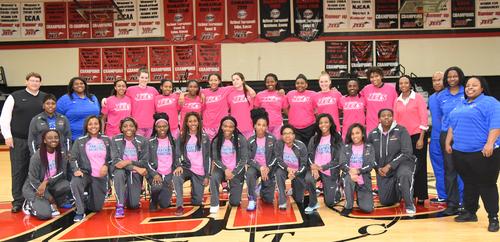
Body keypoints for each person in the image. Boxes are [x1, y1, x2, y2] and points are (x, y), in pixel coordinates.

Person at [446, 76, 500, 232]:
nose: (470, 87)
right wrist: (448, 141)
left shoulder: (490, 103)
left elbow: (496, 124)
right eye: (468, 85)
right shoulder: (460, 104)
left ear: (482, 88)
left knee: (487, 185)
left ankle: (493, 217)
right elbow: (452, 124)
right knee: (469, 183)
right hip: (460, 152)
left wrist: (490, 143)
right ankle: (470, 212)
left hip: (482, 152)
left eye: (474, 85)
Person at [0, 72, 46, 213]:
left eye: (37, 81)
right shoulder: (15, 96)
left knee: (38, 172)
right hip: (19, 140)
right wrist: (7, 136)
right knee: (18, 171)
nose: (34, 83)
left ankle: (34, 198)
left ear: (40, 83)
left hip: (39, 141)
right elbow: (4, 117)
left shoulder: (45, 97)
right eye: (32, 80)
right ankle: (18, 201)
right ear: (26, 82)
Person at [368, 109, 417, 214]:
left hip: (402, 164)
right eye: (383, 116)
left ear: (393, 117)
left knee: (404, 175)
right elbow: (369, 154)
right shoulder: (373, 134)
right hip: (384, 170)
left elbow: (407, 152)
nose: (386, 118)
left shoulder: (401, 130)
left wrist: (390, 165)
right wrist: (377, 168)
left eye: (389, 115)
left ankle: (409, 204)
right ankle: (399, 190)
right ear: (379, 119)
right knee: (386, 201)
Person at [394, 75, 429, 204]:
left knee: (419, 166)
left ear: (410, 84)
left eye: (406, 83)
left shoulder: (418, 98)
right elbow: (395, 122)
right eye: (401, 83)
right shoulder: (397, 100)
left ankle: (421, 195)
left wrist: (421, 138)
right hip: (403, 138)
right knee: (405, 167)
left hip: (417, 137)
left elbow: (424, 118)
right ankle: (409, 193)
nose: (403, 85)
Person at [69, 116, 112, 222]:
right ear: (86, 126)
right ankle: (79, 210)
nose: (93, 126)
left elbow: (113, 157)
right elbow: (72, 158)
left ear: (100, 125)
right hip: (85, 174)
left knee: (96, 208)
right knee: (76, 181)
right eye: (90, 124)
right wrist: (76, 169)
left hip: (100, 177)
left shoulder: (107, 140)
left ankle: (86, 197)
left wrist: (106, 165)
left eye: (96, 123)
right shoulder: (80, 141)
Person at [21, 130, 70, 220]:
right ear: (44, 140)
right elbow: (33, 180)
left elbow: (62, 173)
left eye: (56, 137)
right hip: (35, 188)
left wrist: (46, 182)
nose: (53, 140)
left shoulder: (61, 154)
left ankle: (49, 202)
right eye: (50, 138)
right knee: (45, 215)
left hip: (48, 185)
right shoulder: (37, 157)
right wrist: (50, 199)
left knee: (66, 185)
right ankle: (29, 203)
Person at [438, 66, 466, 215]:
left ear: (460, 77)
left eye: (455, 76)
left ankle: (468, 202)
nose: (452, 79)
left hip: (465, 135)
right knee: (450, 170)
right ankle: (452, 203)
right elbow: (438, 117)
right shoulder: (441, 95)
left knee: (467, 169)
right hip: (446, 135)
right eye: (449, 77)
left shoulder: (467, 92)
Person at [110, 117, 149, 218]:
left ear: (135, 128)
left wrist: (128, 161)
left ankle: (127, 194)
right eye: (125, 126)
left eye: (131, 126)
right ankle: (120, 205)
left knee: (133, 205)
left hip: (135, 173)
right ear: (121, 128)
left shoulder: (143, 140)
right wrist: (135, 168)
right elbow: (116, 162)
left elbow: (144, 162)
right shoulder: (115, 139)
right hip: (123, 171)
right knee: (119, 173)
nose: (128, 128)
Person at [173, 112, 210, 215]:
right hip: (186, 168)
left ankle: (195, 190)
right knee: (177, 175)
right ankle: (179, 205)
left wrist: (207, 175)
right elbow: (177, 153)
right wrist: (179, 165)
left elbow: (208, 158)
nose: (192, 123)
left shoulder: (205, 137)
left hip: (200, 171)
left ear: (198, 122)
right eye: (190, 121)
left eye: (195, 121)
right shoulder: (181, 136)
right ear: (186, 123)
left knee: (197, 202)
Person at [210, 116, 248, 213]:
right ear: (221, 127)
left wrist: (233, 172)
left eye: (231, 127)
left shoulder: (241, 139)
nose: (228, 129)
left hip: (236, 171)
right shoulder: (216, 140)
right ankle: (214, 203)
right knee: (214, 177)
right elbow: (216, 159)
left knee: (235, 202)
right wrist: (225, 170)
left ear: (234, 128)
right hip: (222, 169)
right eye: (225, 126)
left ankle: (233, 190)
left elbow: (244, 159)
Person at [306, 114, 343, 210]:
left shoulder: (337, 138)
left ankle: (338, 186)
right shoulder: (314, 139)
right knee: (308, 179)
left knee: (330, 203)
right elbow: (309, 156)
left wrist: (322, 167)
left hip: (329, 170)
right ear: (318, 125)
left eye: (326, 122)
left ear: (330, 123)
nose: (323, 125)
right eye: (321, 123)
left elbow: (339, 159)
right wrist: (314, 166)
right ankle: (313, 203)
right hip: (316, 170)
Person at [274, 125, 315, 211]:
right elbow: (278, 160)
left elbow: (304, 164)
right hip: (286, 169)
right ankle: (282, 200)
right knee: (278, 172)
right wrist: (288, 169)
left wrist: (295, 173)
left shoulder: (301, 146)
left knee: (298, 200)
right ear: (281, 136)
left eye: (290, 133)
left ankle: (297, 188)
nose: (287, 136)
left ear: (294, 135)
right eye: (284, 133)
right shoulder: (279, 144)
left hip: (298, 171)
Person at [339, 123, 375, 216]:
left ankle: (360, 196)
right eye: (352, 134)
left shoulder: (369, 147)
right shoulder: (345, 147)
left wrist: (358, 171)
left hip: (363, 178)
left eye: (357, 133)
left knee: (368, 209)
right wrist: (351, 172)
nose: (355, 136)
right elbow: (342, 164)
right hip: (349, 176)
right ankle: (348, 206)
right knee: (348, 179)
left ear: (362, 134)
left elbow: (370, 165)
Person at [246, 108, 277, 211]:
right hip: (256, 167)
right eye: (259, 124)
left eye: (264, 125)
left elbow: (276, 156)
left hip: (268, 168)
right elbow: (248, 159)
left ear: (267, 127)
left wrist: (268, 167)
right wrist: (260, 167)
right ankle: (251, 199)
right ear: (254, 126)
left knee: (268, 200)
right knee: (250, 173)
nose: (261, 127)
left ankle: (262, 188)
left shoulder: (272, 139)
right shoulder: (250, 140)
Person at [147, 113, 177, 212]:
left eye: (164, 126)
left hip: (169, 174)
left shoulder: (173, 141)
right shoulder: (150, 142)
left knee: (164, 205)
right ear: (155, 128)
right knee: (156, 187)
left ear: (168, 126)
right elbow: (146, 161)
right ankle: (154, 200)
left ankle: (162, 196)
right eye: (159, 127)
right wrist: (154, 174)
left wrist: (173, 176)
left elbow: (177, 159)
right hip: (156, 173)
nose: (162, 129)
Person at [56, 77, 100, 141]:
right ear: (72, 87)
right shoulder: (64, 99)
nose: (79, 85)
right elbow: (58, 118)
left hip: (92, 137)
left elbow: (98, 116)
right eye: (76, 84)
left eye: (81, 83)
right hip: (73, 138)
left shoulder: (93, 98)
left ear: (85, 85)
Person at [428, 71, 447, 203]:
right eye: (434, 80)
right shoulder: (431, 98)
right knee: (438, 168)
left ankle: (461, 198)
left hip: (450, 137)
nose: (436, 82)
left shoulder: (452, 95)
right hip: (435, 137)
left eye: (439, 80)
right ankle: (442, 195)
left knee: (453, 169)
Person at [360, 67, 398, 132]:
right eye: (371, 77)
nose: (374, 79)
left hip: (387, 124)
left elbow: (396, 106)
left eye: (376, 76)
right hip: (371, 125)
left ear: (381, 76)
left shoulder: (391, 88)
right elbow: (357, 99)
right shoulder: (366, 89)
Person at [126, 68, 159, 137]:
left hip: (151, 125)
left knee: (149, 146)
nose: (144, 80)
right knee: (138, 147)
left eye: (146, 78)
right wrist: (105, 99)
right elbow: (120, 98)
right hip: (136, 125)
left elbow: (162, 99)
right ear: (138, 77)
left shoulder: (153, 90)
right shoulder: (130, 90)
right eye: (142, 77)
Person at [284, 74, 317, 144]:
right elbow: (285, 108)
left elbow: (317, 108)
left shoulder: (313, 94)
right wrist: (291, 116)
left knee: (309, 148)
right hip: (294, 128)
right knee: (297, 149)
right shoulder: (290, 94)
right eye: (297, 83)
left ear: (306, 85)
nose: (300, 85)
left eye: (302, 83)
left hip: (310, 127)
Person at [254, 73, 286, 138]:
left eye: (272, 82)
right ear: (265, 83)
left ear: (276, 82)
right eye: (267, 82)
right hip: (263, 125)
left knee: (276, 144)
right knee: (265, 144)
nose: (270, 84)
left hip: (277, 124)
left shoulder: (281, 94)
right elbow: (255, 110)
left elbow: (285, 109)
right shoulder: (260, 94)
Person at [227, 73, 254, 139]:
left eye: (237, 79)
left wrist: (245, 86)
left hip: (249, 126)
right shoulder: (229, 95)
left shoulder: (249, 93)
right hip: (235, 127)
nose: (235, 81)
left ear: (242, 80)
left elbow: (254, 95)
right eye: (233, 80)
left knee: (248, 148)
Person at [340, 77, 366, 142]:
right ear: (347, 87)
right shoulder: (342, 99)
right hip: (346, 132)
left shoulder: (364, 99)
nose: (352, 88)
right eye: (350, 86)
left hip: (360, 131)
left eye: (354, 86)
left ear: (358, 87)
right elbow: (339, 111)